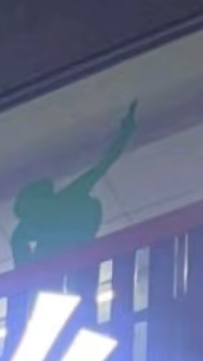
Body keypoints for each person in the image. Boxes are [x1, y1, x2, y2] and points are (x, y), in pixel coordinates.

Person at [11, 101, 137, 266]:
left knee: (47, 246)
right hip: (62, 247)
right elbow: (20, 252)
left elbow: (102, 166)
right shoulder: (25, 228)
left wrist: (125, 134)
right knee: (39, 248)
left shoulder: (69, 199)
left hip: (76, 232)